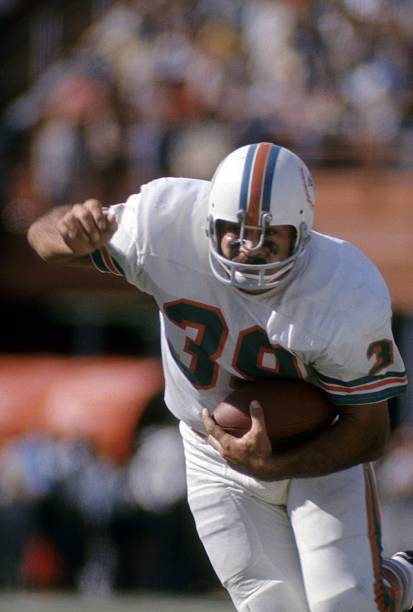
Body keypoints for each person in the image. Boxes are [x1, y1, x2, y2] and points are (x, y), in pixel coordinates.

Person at [27, 142, 412, 612]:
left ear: (303, 234)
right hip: (213, 450)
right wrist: (70, 231)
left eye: (269, 236)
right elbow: (41, 239)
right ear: (208, 220)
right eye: (235, 231)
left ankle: (394, 579)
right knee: (274, 606)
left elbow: (371, 434)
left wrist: (275, 465)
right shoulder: (163, 222)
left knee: (345, 603)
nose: (249, 248)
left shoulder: (344, 289)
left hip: (323, 445)